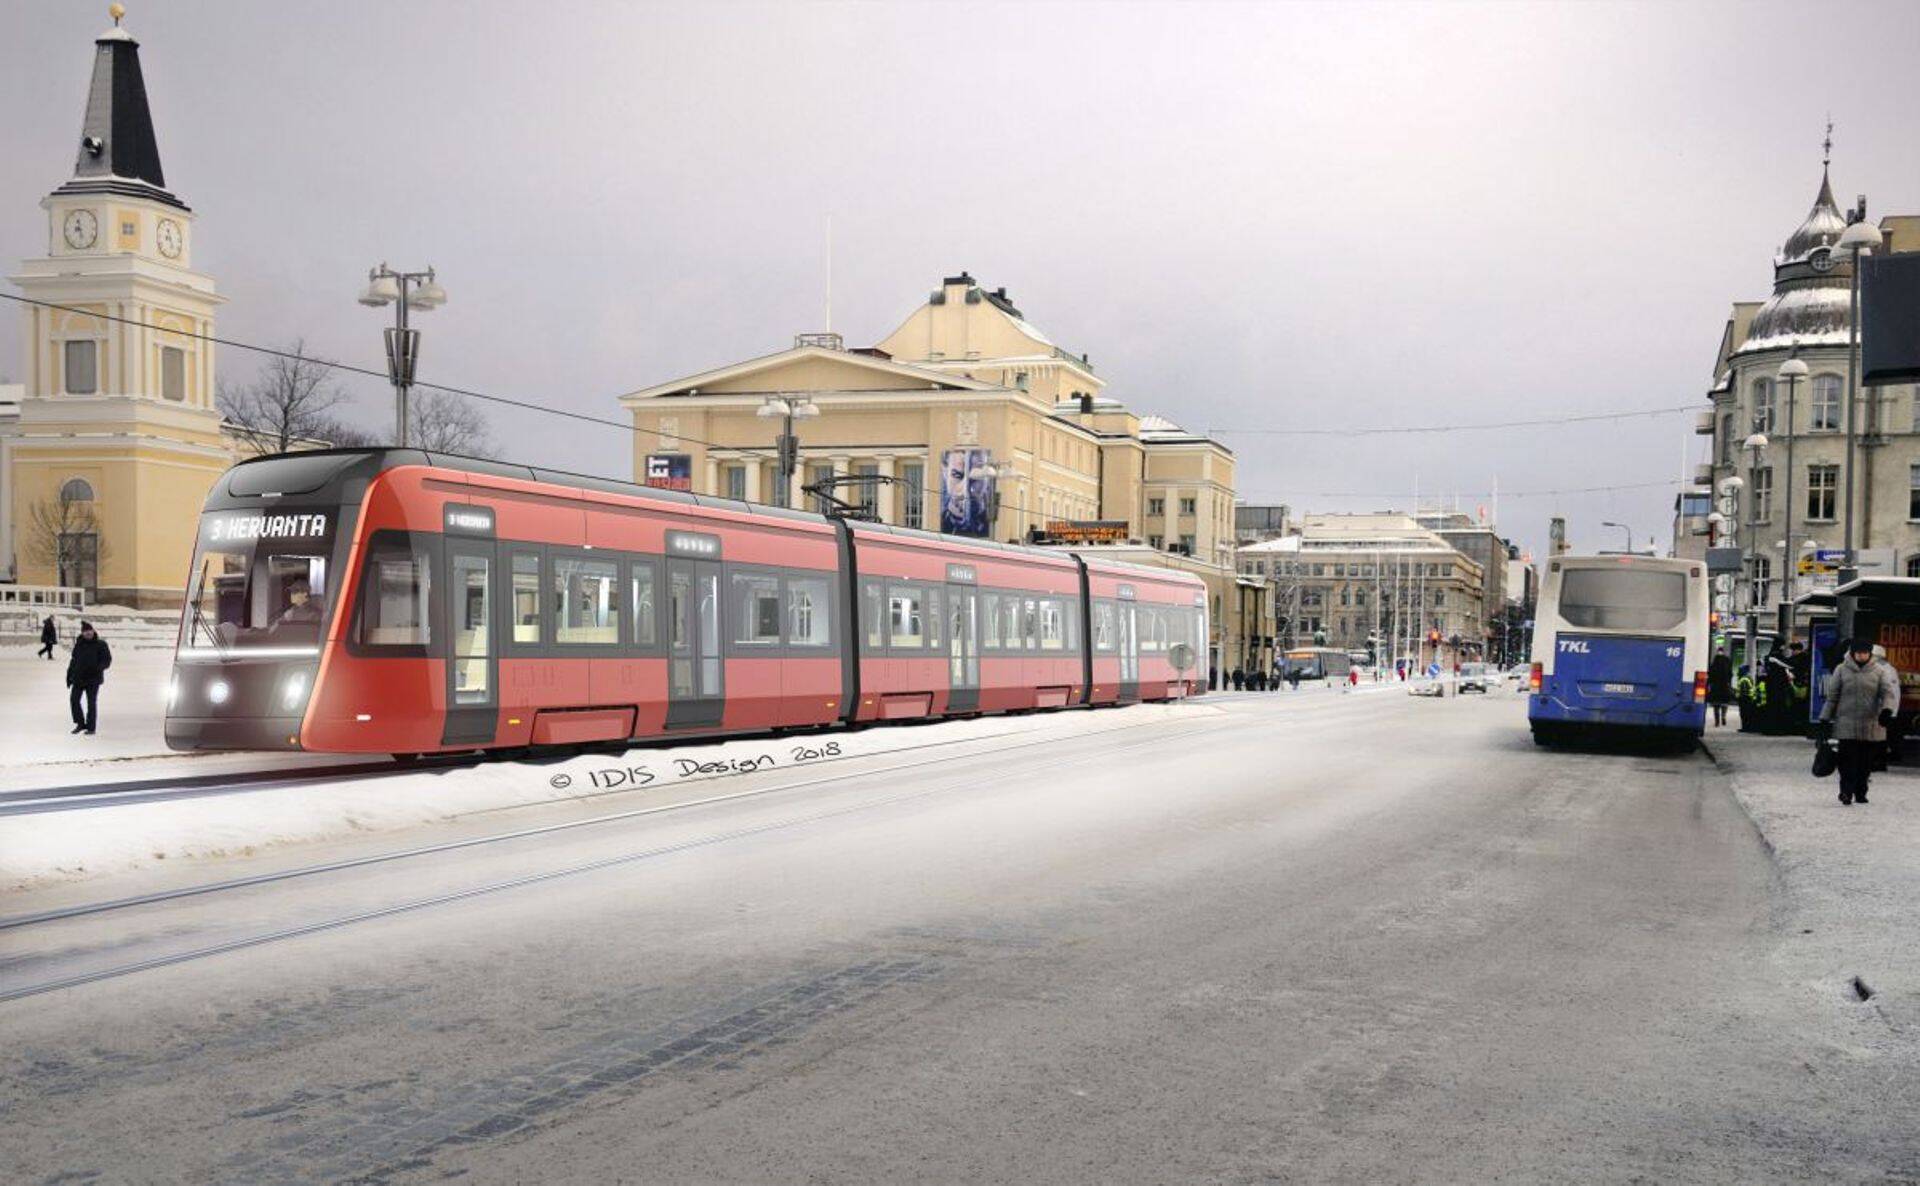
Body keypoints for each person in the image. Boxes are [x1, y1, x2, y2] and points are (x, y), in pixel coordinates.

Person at [1818, 637, 1899, 806]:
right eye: (1858, 653)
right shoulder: (1841, 670)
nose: (1861, 656)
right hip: (1846, 723)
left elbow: (1888, 693)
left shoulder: (1879, 671)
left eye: (1865, 653)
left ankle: (1861, 791)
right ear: (1852, 653)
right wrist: (1824, 718)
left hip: (1870, 724)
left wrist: (1886, 710)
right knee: (1847, 761)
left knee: (1865, 762)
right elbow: (1832, 697)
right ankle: (1846, 792)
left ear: (1870, 654)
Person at [65, 620, 112, 736]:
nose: (88, 634)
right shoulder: (79, 644)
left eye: (89, 631)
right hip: (78, 678)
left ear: (93, 631)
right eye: (85, 632)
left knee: (91, 703)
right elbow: (73, 661)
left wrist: (98, 668)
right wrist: (69, 676)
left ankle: (91, 727)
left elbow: (107, 660)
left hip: (93, 679)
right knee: (74, 700)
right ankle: (80, 723)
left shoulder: (101, 644)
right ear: (82, 633)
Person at [1707, 646, 1735, 727]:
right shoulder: (1727, 661)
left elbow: (1710, 673)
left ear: (1717, 651)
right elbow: (1730, 673)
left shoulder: (1715, 661)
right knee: (1724, 703)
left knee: (1716, 704)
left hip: (1716, 686)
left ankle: (1717, 722)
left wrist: (1709, 684)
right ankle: (1723, 716)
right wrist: (1729, 683)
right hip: (1725, 685)